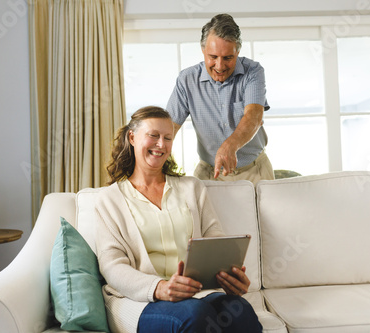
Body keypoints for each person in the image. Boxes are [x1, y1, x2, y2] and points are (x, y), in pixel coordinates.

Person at [95, 106, 262, 332]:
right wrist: (160, 288)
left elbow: (214, 241)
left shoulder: (191, 188)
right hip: (139, 300)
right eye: (153, 136)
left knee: (240, 311)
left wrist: (228, 275)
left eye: (168, 138)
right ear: (132, 138)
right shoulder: (109, 200)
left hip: (198, 295)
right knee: (194, 315)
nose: (161, 145)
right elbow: (112, 266)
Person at [167, 13, 275, 185]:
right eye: (213, 57)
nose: (220, 66)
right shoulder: (187, 80)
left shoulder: (253, 72)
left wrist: (229, 146)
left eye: (227, 58)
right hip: (209, 173)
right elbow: (169, 127)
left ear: (237, 52)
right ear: (203, 50)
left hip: (254, 171)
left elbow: (254, 116)